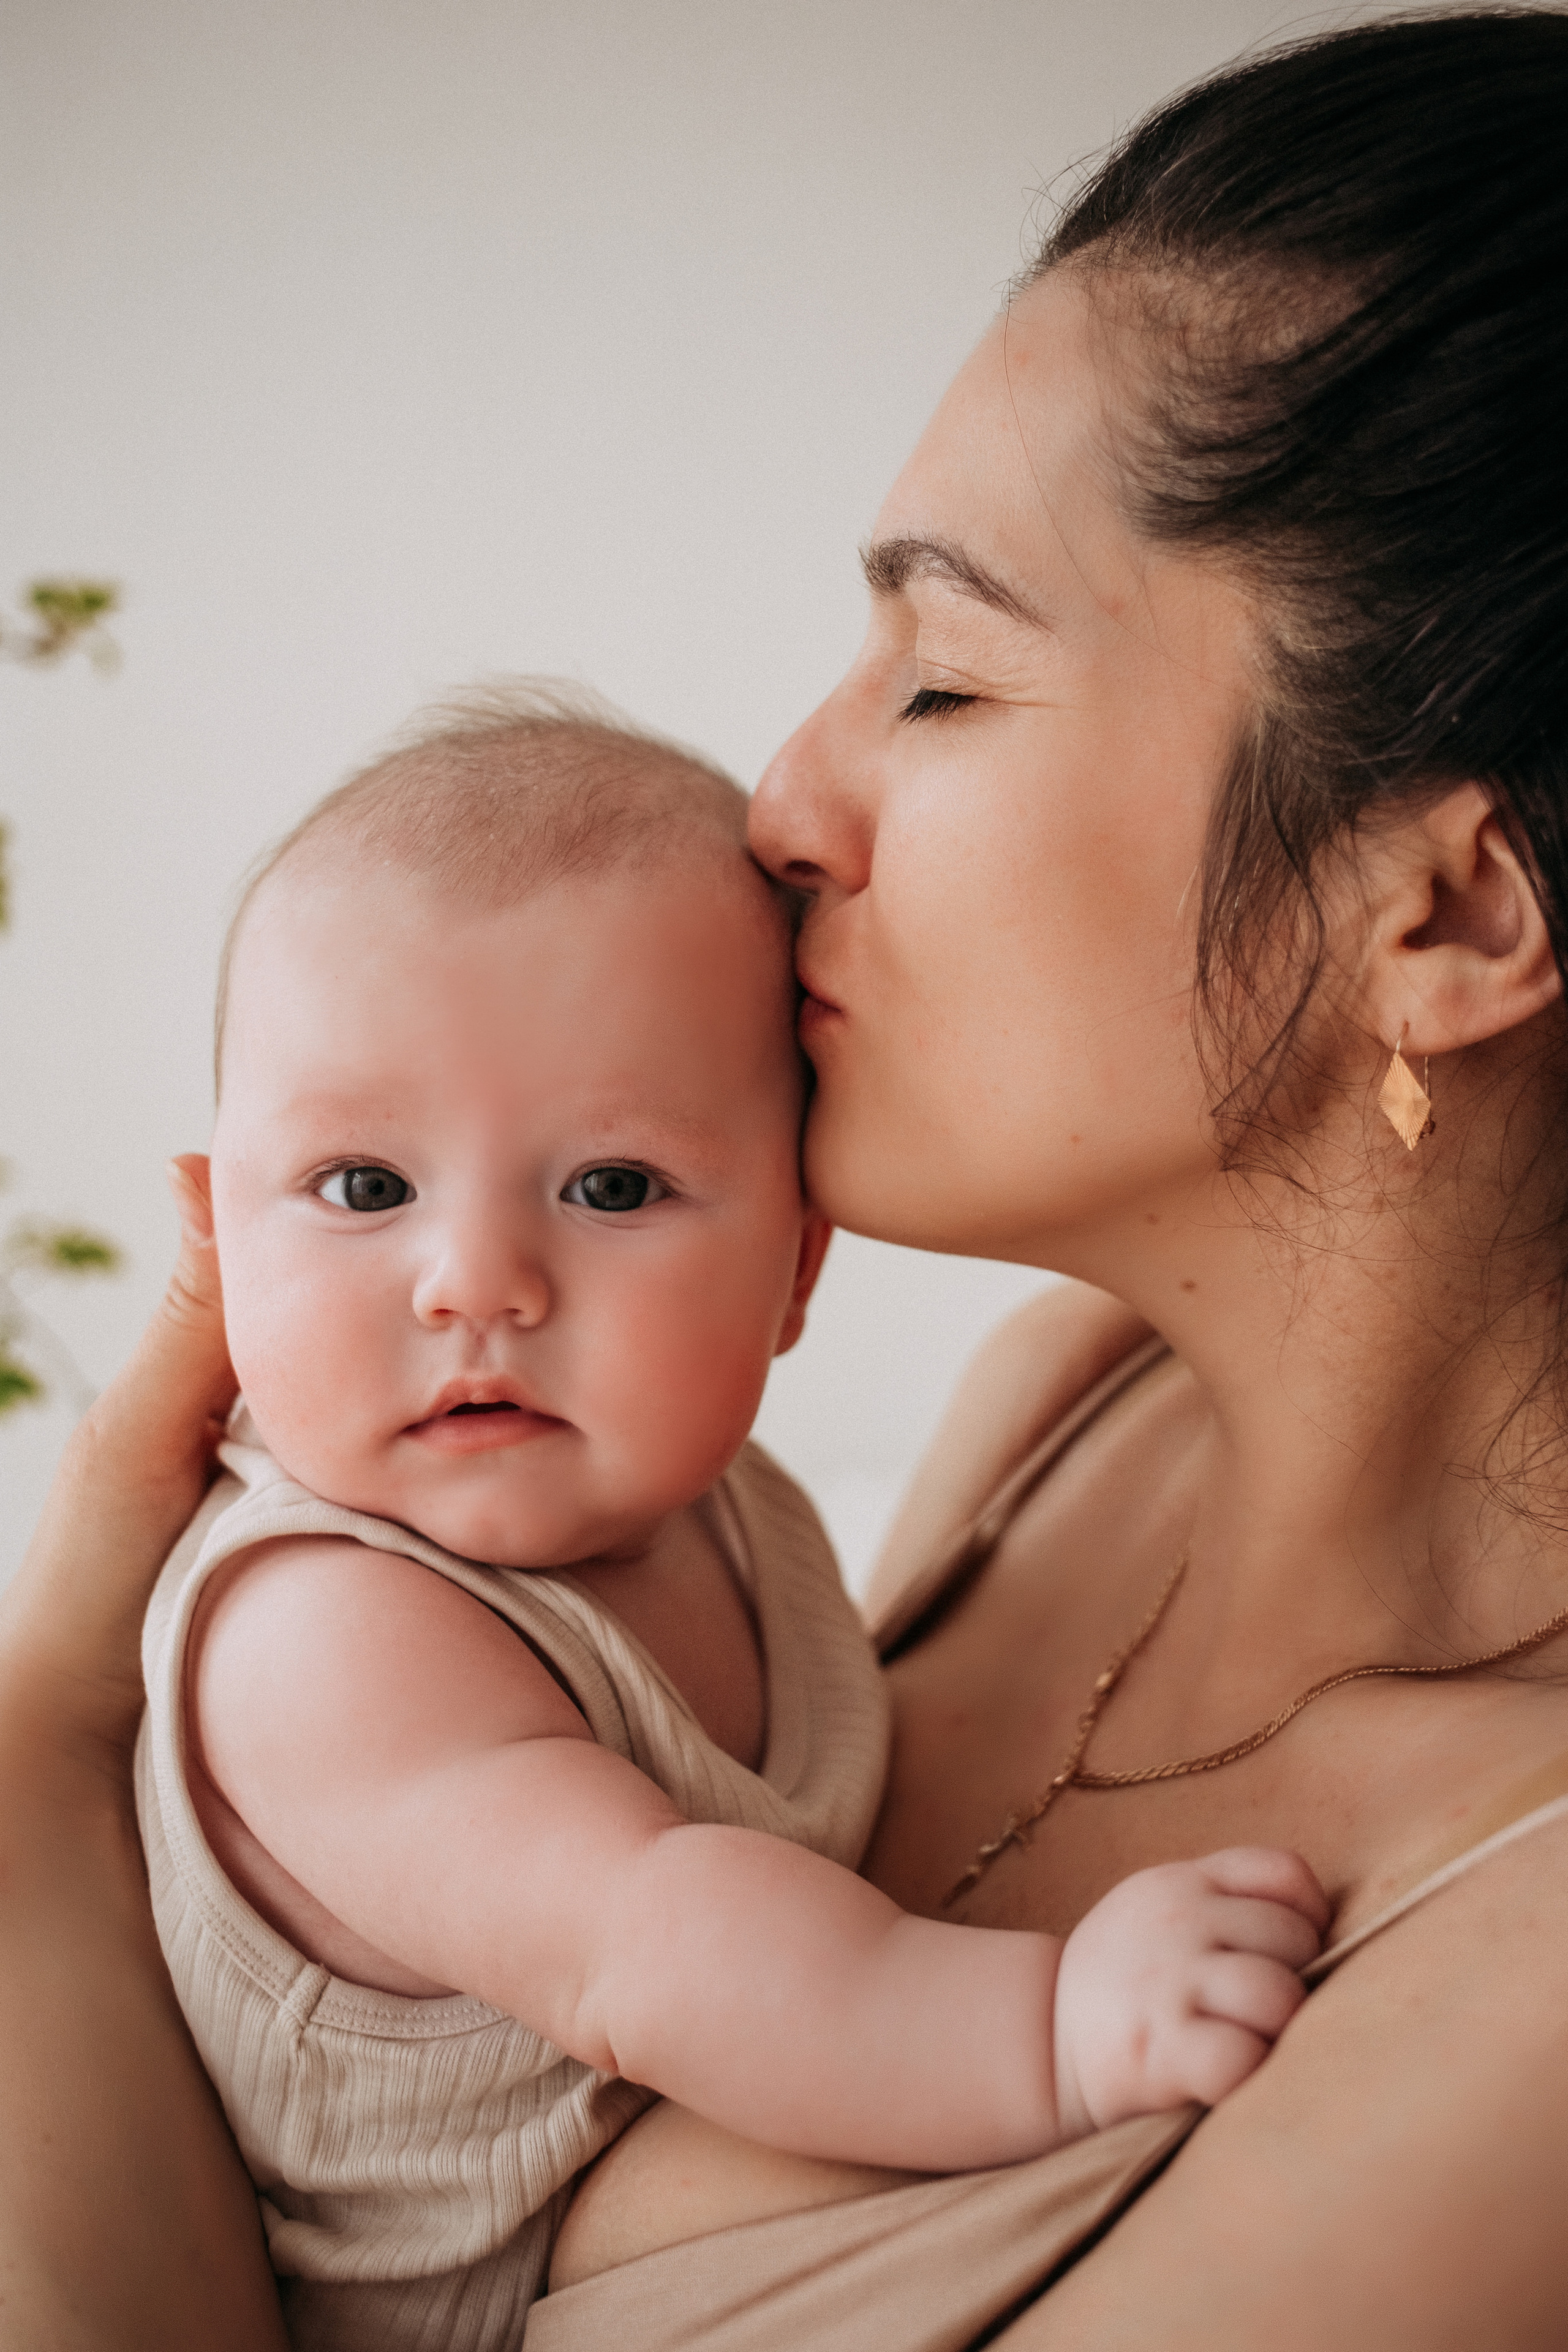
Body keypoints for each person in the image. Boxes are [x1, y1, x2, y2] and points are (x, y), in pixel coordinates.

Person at [5, 10, 1568, 2345]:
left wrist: (31, 1773)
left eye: (938, 679)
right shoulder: (1073, 1416)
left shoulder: (1528, 1981)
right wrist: (49, 1733)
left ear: (1438, 915)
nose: (782, 801)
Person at [137, 691, 1320, 2350]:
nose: (475, 1281)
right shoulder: (324, 1634)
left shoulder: (719, 1502)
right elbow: (659, 1949)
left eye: (612, 1187)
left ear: (797, 1267)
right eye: (361, 1186)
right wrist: (1052, 2029)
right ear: (215, 1232)